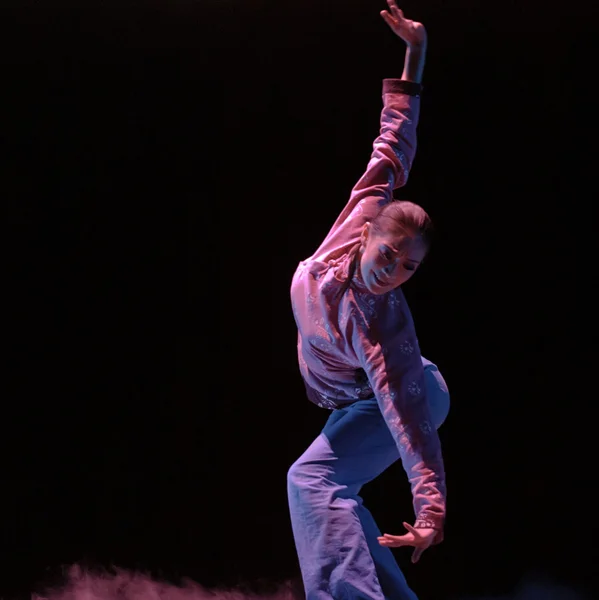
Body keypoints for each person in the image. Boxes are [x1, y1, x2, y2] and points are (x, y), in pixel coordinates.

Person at [287, 3, 449, 599]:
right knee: (332, 496)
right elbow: (393, 143)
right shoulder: (358, 217)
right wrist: (415, 53)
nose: (395, 273)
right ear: (369, 234)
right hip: (354, 405)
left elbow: (411, 425)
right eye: (390, 257)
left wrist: (429, 515)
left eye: (410, 268)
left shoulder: (382, 328)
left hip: (409, 394)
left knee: (311, 481)